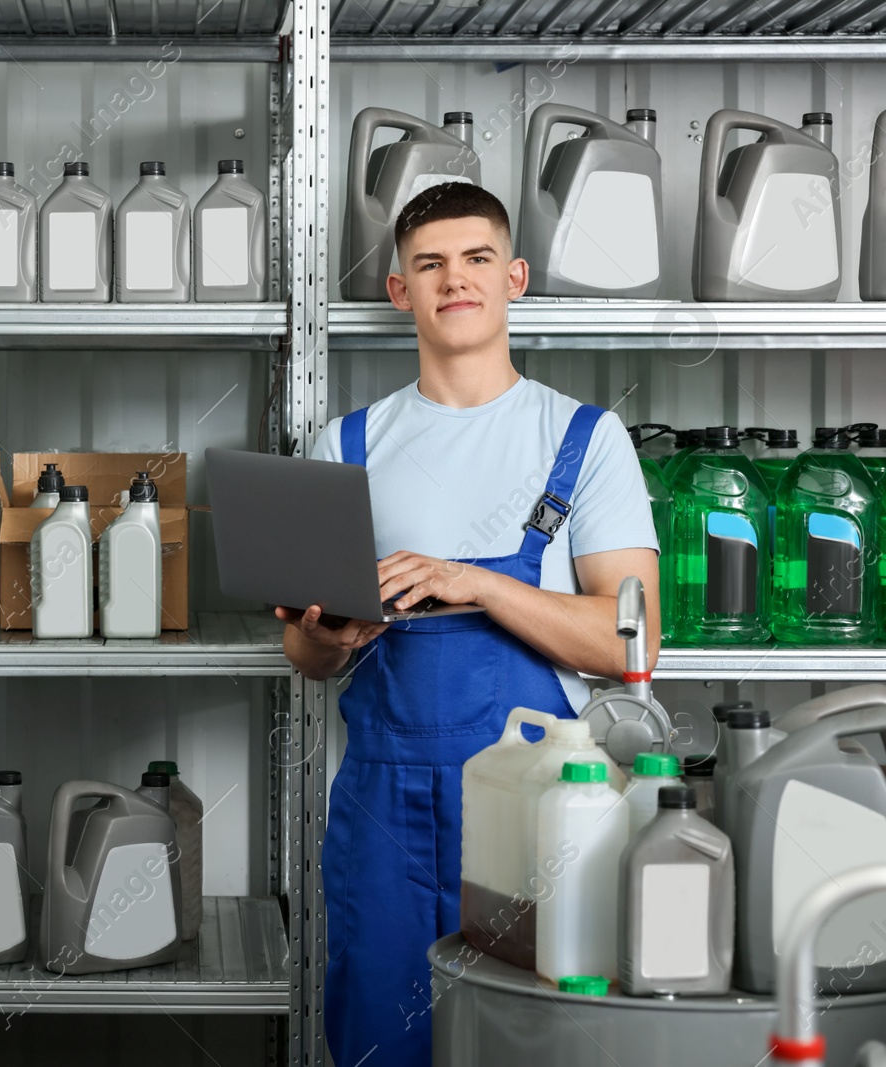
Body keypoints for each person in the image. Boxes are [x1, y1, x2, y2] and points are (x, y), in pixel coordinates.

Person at [280, 182, 660, 1067]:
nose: (457, 279)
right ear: (399, 291)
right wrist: (330, 638)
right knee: (382, 1035)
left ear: (515, 277)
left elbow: (632, 642)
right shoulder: (344, 447)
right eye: (431, 263)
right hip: (384, 811)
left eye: (478, 259)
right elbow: (303, 653)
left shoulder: (587, 439)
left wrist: (472, 582)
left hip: (545, 807)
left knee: (535, 1035)